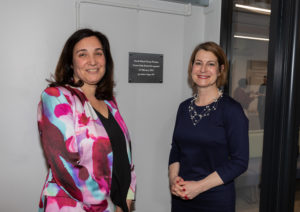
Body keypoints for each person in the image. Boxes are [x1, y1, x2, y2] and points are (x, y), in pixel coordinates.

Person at [37, 28, 136, 212]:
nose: (93, 61)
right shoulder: (56, 96)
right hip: (76, 206)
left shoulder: (109, 102)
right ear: (71, 63)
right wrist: (109, 204)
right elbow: (65, 166)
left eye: (98, 53)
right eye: (83, 54)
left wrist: (128, 196)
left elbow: (124, 153)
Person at [168, 42, 249, 212]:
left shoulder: (231, 110)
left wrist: (198, 187)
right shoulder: (184, 108)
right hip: (182, 197)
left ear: (220, 70)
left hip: (215, 199)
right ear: (192, 68)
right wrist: (174, 178)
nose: (203, 69)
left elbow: (239, 162)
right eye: (198, 63)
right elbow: (176, 148)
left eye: (210, 64)